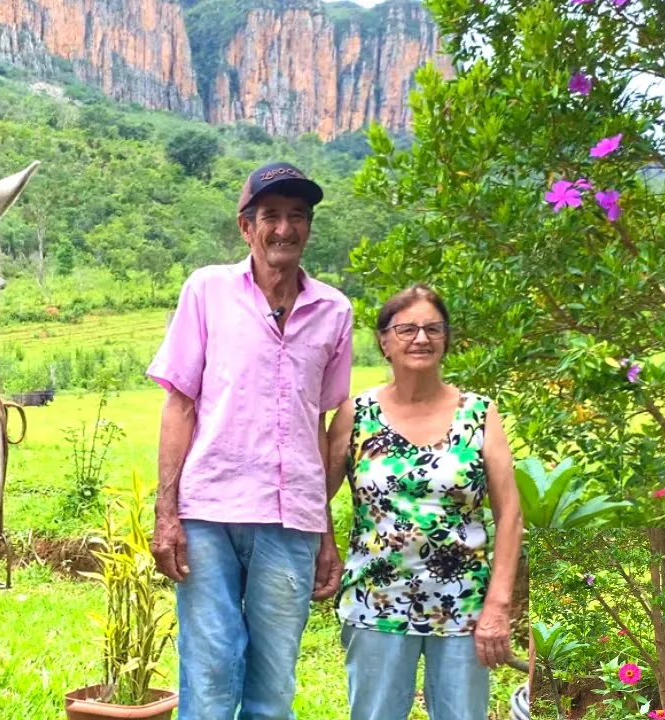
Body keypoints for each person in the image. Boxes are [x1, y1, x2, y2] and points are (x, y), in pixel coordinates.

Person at [147, 161, 353, 720]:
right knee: (210, 672)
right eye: (270, 216)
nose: (284, 228)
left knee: (274, 682)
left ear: (309, 227)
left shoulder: (334, 310)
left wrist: (326, 532)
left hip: (291, 520)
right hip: (208, 513)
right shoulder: (207, 290)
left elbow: (316, 423)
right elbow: (180, 403)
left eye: (297, 216)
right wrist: (166, 513)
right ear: (246, 227)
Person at [324, 284, 523, 720]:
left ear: (446, 339)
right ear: (384, 341)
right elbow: (314, 495)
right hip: (376, 599)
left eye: (433, 328)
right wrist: (327, 551)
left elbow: (510, 515)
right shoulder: (356, 414)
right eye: (407, 329)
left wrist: (498, 604)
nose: (421, 338)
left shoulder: (479, 413)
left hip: (463, 605)